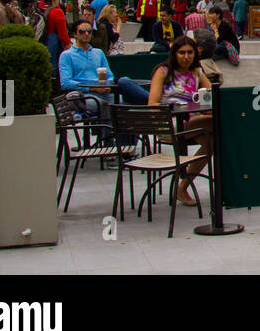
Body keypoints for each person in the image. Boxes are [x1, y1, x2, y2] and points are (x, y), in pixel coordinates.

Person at [146, 37, 212, 207]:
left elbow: (213, 95)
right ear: (174, 54)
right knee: (214, 124)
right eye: (181, 52)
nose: (186, 56)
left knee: (212, 144)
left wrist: (204, 105)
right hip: (169, 124)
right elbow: (152, 105)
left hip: (194, 123)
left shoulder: (197, 72)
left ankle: (182, 187)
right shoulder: (163, 71)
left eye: (190, 52)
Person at [59, 20, 149, 119]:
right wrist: (91, 88)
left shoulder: (98, 53)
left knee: (126, 100)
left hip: (104, 92)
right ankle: (107, 134)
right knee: (105, 105)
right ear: (75, 34)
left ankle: (129, 131)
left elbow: (110, 75)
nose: (86, 34)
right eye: (82, 31)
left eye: (89, 31)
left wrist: (107, 86)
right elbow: (65, 83)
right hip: (85, 95)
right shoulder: (67, 55)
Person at [39, 0, 70, 75]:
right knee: (54, 66)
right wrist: (68, 46)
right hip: (54, 43)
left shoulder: (42, 9)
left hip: (44, 41)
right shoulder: (57, 11)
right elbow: (63, 33)